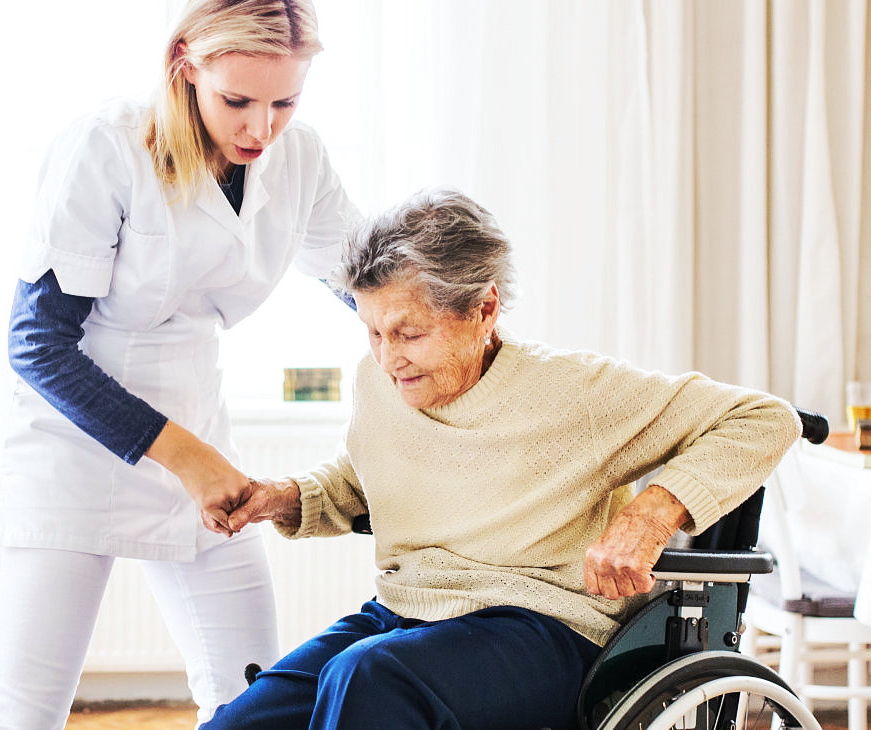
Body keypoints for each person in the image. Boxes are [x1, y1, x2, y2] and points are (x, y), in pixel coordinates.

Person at [202, 188, 803, 730]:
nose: (388, 359)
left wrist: (651, 513)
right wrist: (283, 496)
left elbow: (766, 418)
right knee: (242, 723)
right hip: (406, 613)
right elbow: (365, 477)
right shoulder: (380, 379)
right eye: (374, 333)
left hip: (543, 624)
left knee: (368, 679)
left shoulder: (572, 393)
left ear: (483, 310)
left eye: (409, 334)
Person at [0, 1, 359, 727]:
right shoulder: (106, 147)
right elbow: (37, 343)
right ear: (186, 64)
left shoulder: (298, 156)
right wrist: (185, 457)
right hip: (71, 449)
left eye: (285, 101)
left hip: (197, 429)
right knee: (24, 713)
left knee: (254, 702)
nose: (261, 128)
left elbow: (366, 279)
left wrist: (461, 328)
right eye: (237, 101)